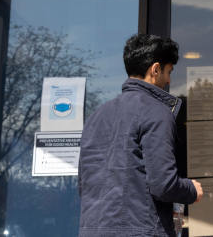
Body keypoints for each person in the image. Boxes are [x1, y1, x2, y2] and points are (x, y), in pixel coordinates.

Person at [78, 33, 203, 237]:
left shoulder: (96, 116)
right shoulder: (156, 112)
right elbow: (164, 184)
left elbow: (85, 185)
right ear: (155, 69)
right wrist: (191, 189)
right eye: (168, 72)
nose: (169, 80)